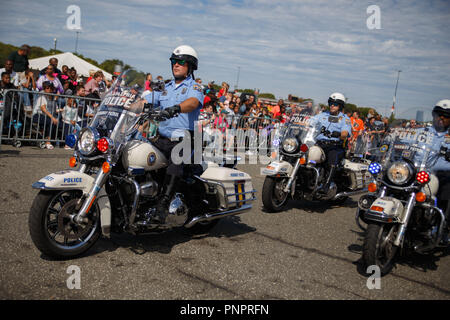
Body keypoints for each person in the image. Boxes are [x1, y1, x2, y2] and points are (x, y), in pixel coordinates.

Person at [144, 45, 204, 224]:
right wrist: (124, 104)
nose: (176, 65)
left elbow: (193, 103)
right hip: (161, 138)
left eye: (180, 62)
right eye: (173, 61)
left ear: (190, 66)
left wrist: (175, 108)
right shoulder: (165, 88)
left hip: (185, 139)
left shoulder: (195, 87)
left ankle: (163, 205)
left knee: (176, 159)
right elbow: (144, 101)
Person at [312, 92, 352, 194]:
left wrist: (339, 134)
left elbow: (345, 133)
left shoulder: (345, 119)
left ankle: (326, 186)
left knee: (332, 157)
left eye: (335, 104)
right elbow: (310, 121)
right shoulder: (322, 115)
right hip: (319, 144)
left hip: (335, 146)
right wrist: (296, 122)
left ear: (340, 106)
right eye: (331, 103)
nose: (332, 106)